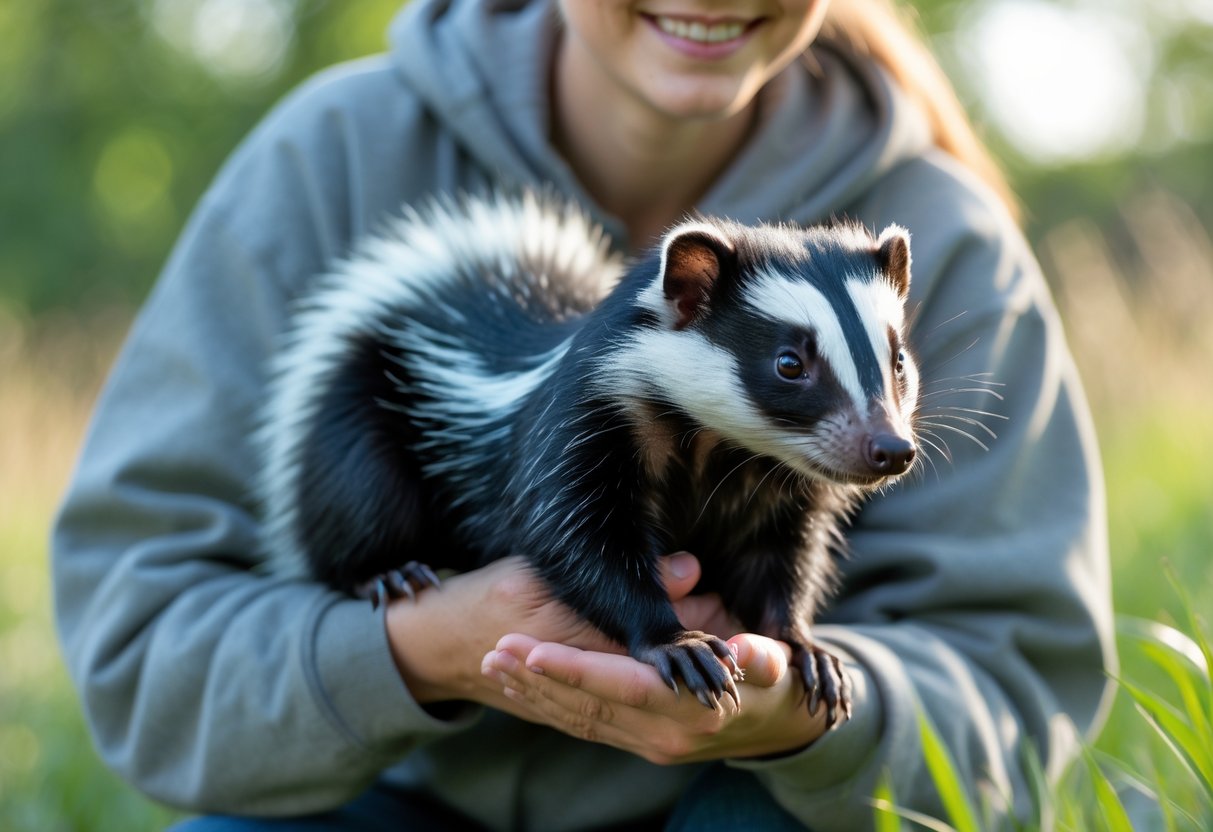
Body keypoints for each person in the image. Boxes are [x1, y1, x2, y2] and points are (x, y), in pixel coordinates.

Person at [52, 0, 1115, 828]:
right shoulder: (331, 159)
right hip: (398, 796)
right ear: (684, 304)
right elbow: (140, 644)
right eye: (804, 373)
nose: (879, 431)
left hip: (761, 809)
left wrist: (805, 706)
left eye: (887, 381)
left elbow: (1020, 685)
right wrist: (416, 649)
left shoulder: (948, 235)